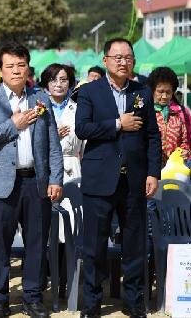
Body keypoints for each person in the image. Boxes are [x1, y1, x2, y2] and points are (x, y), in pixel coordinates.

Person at [0, 41, 63, 318]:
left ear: (28, 69)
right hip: (1, 183)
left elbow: (53, 145)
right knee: (0, 242)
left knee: (37, 242)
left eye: (20, 65)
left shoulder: (42, 100)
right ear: (0, 70)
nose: (15, 70)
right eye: (9, 66)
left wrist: (55, 178)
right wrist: (13, 125)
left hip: (35, 181)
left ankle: (33, 298)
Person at [74, 38, 162, 318]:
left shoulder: (142, 92)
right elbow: (82, 128)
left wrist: (152, 172)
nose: (123, 62)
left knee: (135, 243)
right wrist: (116, 124)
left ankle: (134, 301)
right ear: (105, 60)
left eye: (128, 57)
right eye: (118, 57)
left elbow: (152, 136)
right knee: (94, 245)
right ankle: (92, 302)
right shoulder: (90, 91)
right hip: (100, 179)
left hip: (134, 180)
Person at [40, 63, 83, 183]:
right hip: (47, 167)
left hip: (73, 168)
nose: (58, 84)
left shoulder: (79, 109)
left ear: (70, 82)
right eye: (53, 80)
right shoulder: (38, 109)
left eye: (63, 80)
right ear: (46, 84)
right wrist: (53, 137)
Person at [147, 66, 190, 163]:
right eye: (160, 92)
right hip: (150, 170)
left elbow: (184, 142)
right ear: (153, 91)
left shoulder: (178, 115)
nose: (164, 96)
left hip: (173, 170)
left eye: (168, 92)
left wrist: (185, 151)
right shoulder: (146, 114)